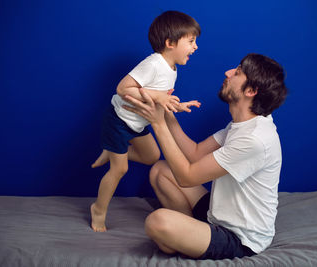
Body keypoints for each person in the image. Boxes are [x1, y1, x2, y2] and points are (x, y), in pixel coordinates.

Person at [123, 53, 288, 260]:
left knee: (157, 222)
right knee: (161, 171)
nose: (227, 73)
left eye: (237, 73)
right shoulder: (242, 124)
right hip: (217, 215)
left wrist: (157, 123)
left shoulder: (254, 139)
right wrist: (166, 112)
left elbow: (187, 177)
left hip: (240, 238)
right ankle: (190, 234)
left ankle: (184, 235)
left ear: (251, 91)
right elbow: (194, 153)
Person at [90, 10, 201, 232]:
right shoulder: (153, 63)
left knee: (151, 156)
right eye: (190, 41)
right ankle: (98, 210)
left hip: (138, 123)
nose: (195, 47)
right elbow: (123, 88)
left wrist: (175, 105)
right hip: (119, 120)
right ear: (170, 43)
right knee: (119, 169)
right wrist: (158, 95)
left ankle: (112, 151)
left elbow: (160, 98)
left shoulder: (173, 69)